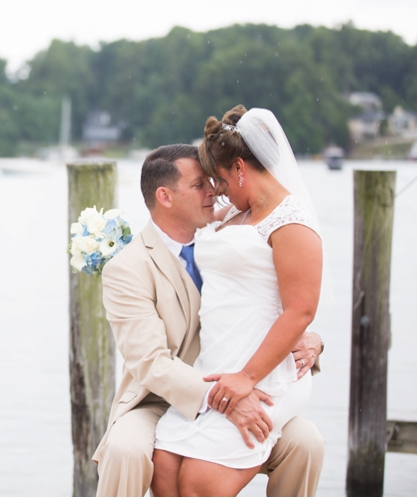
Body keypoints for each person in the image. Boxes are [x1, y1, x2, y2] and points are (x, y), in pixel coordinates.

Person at [92, 140, 325, 497]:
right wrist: (227, 397)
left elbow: (283, 303)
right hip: (160, 399)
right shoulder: (127, 268)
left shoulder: (229, 235)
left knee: (306, 440)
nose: (214, 191)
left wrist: (313, 340)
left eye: (213, 181)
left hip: (240, 383)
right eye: (199, 184)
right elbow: (151, 364)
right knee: (125, 449)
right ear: (166, 197)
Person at [150, 106, 327, 496]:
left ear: (241, 167)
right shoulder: (233, 213)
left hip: (262, 374)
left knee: (199, 482)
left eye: (221, 179)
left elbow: (301, 310)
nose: (218, 190)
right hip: (214, 364)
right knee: (163, 465)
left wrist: (247, 378)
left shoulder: (291, 224)